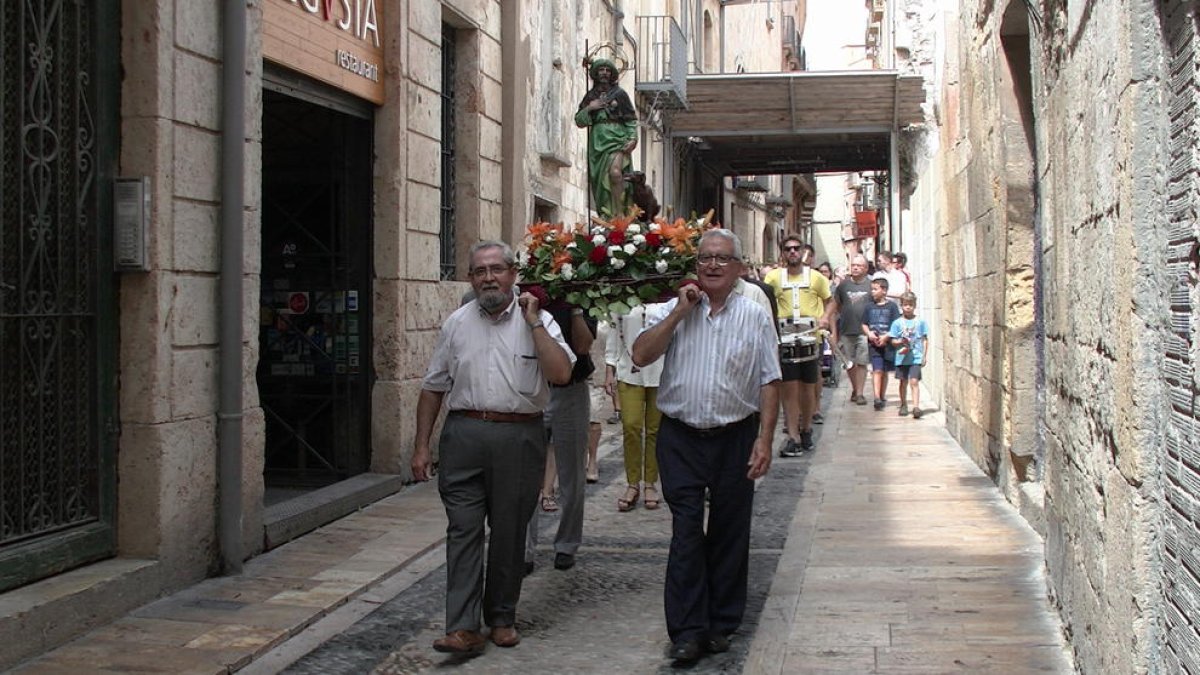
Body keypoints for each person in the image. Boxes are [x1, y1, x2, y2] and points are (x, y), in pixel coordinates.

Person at [412, 241, 574, 654]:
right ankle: (463, 626)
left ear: (513, 273)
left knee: (508, 531)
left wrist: (535, 322)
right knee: (462, 530)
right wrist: (421, 447)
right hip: (463, 435)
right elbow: (433, 388)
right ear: (470, 278)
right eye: (480, 271)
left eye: (496, 269)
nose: (488, 278)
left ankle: (502, 616)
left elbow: (560, 373)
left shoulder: (538, 320)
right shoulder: (456, 324)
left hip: (519, 437)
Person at [631, 229, 781, 665]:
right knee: (686, 532)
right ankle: (687, 630)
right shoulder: (672, 308)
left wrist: (765, 439)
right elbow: (641, 355)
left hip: (735, 435)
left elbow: (770, 378)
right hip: (681, 436)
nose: (712, 266)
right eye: (705, 259)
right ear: (695, 266)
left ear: (738, 268)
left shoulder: (754, 315)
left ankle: (721, 623)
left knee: (731, 531)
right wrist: (679, 311)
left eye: (722, 259)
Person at [527, 301, 597, 573]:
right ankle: (524, 549)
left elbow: (582, 347)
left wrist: (576, 308)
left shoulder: (583, 298)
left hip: (571, 391)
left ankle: (567, 544)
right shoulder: (530, 298)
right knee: (526, 474)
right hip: (534, 389)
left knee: (573, 475)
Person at [764, 236, 831, 454]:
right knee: (789, 387)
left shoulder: (817, 278)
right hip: (785, 338)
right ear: (782, 252)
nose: (792, 252)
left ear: (802, 251)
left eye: (796, 248)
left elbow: (830, 301)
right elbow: (765, 302)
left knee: (808, 387)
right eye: (787, 249)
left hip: (811, 337)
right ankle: (792, 434)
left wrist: (825, 318)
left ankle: (807, 428)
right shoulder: (773, 278)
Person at [604, 305, 665, 511]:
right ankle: (632, 483)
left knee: (655, 430)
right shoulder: (623, 300)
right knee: (631, 426)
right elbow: (614, 333)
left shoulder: (665, 300)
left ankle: (650, 483)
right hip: (629, 370)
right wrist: (609, 368)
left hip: (660, 372)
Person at [575, 58, 638, 218]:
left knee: (616, 173)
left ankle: (620, 213)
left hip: (617, 137)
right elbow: (579, 121)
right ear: (596, 73)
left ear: (612, 74)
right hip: (597, 140)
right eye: (601, 70)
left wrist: (632, 138)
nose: (604, 73)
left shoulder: (620, 94)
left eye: (607, 70)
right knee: (599, 180)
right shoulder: (590, 96)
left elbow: (630, 119)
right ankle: (606, 213)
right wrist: (590, 107)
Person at [824, 254, 873, 405]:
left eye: (859, 266)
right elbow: (836, 305)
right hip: (847, 329)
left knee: (862, 362)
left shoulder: (871, 285)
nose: (855, 268)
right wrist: (829, 322)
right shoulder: (843, 286)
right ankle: (855, 388)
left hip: (864, 331)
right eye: (853, 265)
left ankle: (859, 393)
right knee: (850, 363)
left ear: (865, 268)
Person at [889, 291, 930, 418]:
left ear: (914, 305)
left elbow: (924, 339)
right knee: (903, 382)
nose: (908, 307)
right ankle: (903, 404)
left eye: (910, 305)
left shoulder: (920, 322)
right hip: (901, 358)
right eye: (905, 304)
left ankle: (916, 406)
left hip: (915, 357)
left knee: (914, 381)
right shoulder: (897, 323)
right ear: (901, 305)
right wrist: (900, 341)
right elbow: (893, 340)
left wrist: (924, 356)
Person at [862, 277, 901, 411]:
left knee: (884, 371)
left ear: (884, 290)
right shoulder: (868, 307)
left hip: (888, 344)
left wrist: (887, 336)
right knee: (876, 370)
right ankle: (877, 397)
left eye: (875, 289)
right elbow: (864, 324)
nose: (872, 292)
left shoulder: (892, 306)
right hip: (874, 344)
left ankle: (882, 395)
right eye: (872, 289)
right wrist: (869, 334)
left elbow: (897, 325)